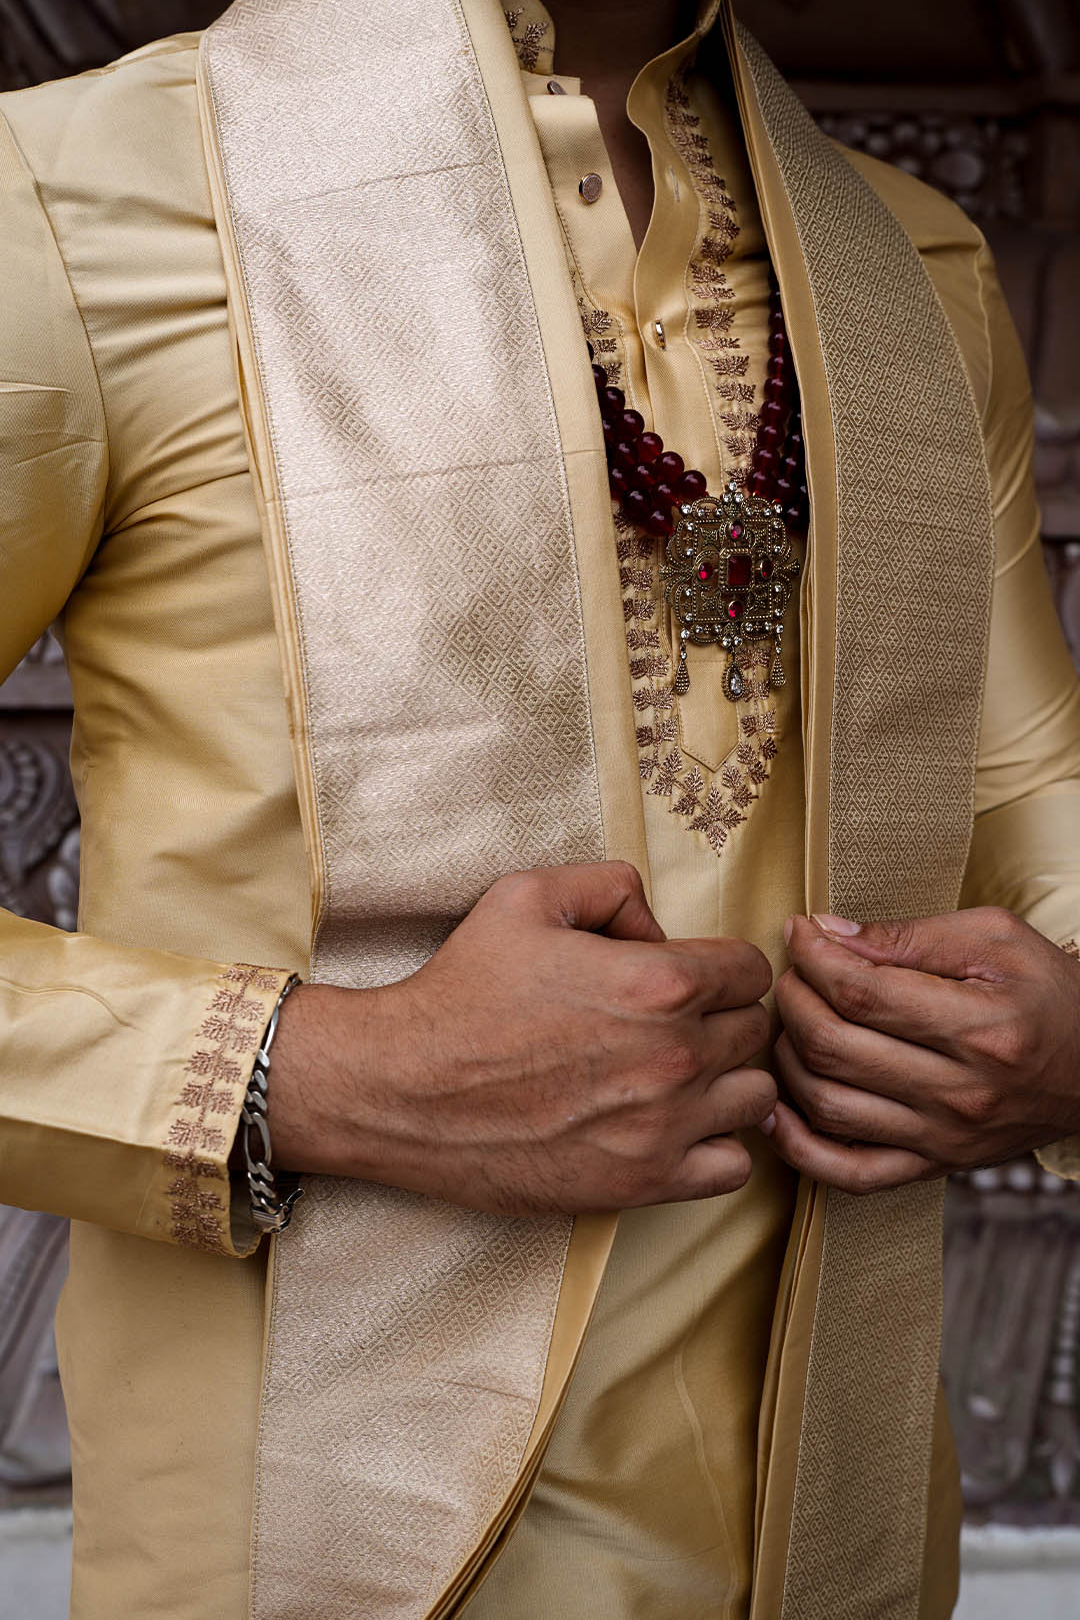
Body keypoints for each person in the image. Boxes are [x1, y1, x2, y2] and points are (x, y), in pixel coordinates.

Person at [1, 0, 1078, 1615]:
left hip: (833, 1530)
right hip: (311, 1545)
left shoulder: (907, 265)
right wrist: (324, 1074)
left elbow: (1032, 810)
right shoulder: (74, 209)